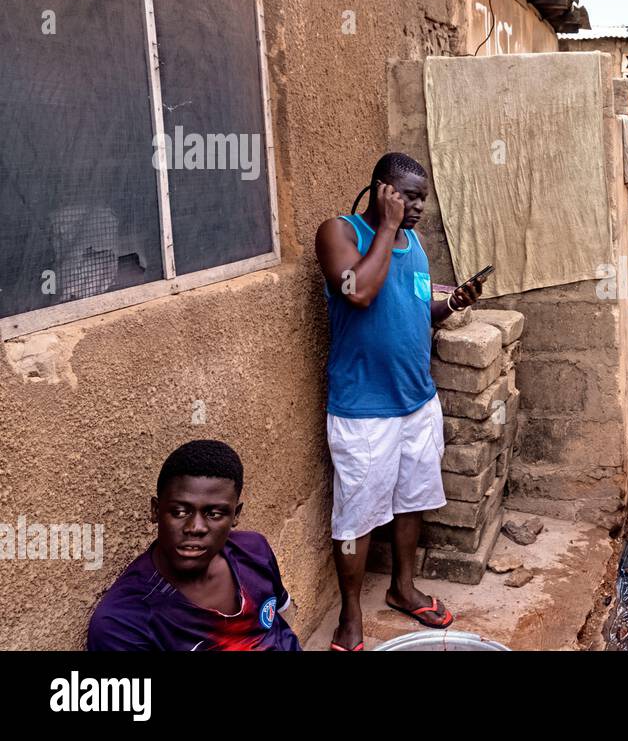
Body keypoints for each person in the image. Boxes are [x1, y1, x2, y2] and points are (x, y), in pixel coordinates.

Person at [314, 152, 481, 652]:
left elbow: (414, 312)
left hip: (417, 401)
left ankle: (403, 588)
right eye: (407, 196)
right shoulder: (339, 233)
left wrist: (452, 303)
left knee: (413, 502)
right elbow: (359, 292)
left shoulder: (415, 247)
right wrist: (386, 227)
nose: (416, 208)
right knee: (356, 516)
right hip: (364, 409)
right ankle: (350, 617)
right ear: (380, 190)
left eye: (421, 200)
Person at [87, 440, 301, 651]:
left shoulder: (254, 550)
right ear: (155, 510)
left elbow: (281, 616)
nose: (195, 527)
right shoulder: (124, 622)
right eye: (180, 512)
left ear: (235, 515)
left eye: (214, 514)